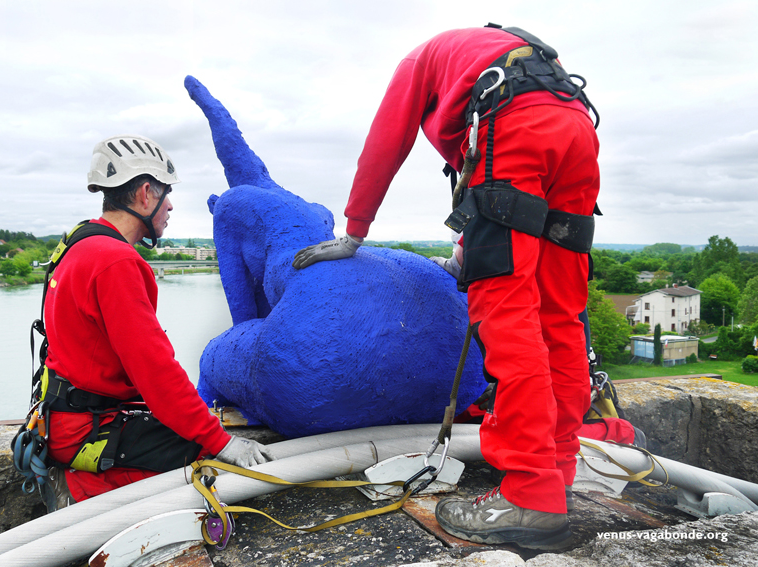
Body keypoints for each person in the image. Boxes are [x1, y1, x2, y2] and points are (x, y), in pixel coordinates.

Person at [293, 25, 600, 550]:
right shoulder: (491, 57)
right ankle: (555, 471)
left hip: (517, 128)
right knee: (559, 316)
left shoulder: (421, 61)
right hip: (575, 129)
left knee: (508, 314)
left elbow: (387, 141)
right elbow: (488, 184)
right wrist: (469, 249)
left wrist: (355, 231)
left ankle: (529, 493)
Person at [40, 134, 271, 509]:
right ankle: (86, 491)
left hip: (67, 419)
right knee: (210, 460)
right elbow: (155, 371)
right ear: (145, 194)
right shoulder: (116, 262)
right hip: (87, 430)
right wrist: (222, 442)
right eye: (166, 193)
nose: (170, 205)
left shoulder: (79, 243)